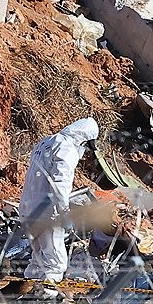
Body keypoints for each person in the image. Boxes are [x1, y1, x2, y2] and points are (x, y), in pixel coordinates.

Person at [19, 117, 99, 283]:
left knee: (38, 258)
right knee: (56, 264)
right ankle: (45, 296)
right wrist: (64, 213)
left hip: (27, 208)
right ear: (83, 139)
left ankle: (24, 291)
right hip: (47, 212)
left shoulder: (46, 142)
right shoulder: (67, 148)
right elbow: (60, 185)